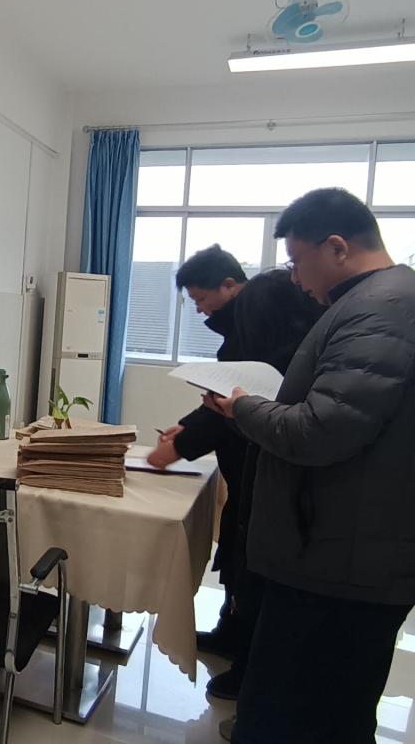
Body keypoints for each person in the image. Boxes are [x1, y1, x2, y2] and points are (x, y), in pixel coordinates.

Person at [206, 188, 415, 744]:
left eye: (298, 261)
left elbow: (319, 431)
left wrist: (243, 407)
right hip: (341, 551)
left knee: (292, 716)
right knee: (327, 713)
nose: (296, 279)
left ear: (338, 247)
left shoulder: (378, 310)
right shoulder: (379, 302)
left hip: (339, 565)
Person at [202, 269, 324, 704]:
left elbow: (291, 432)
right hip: (258, 482)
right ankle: (238, 647)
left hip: (286, 501)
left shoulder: (302, 366)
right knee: (244, 564)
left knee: (263, 581)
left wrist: (238, 413)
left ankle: (251, 675)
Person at [148, 244, 248, 659]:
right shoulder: (241, 328)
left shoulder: (257, 327)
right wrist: (186, 428)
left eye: (202, 299)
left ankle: (242, 654)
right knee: (237, 550)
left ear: (229, 285)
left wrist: (178, 448)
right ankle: (229, 633)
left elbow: (236, 407)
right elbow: (219, 399)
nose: (201, 310)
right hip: (241, 468)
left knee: (248, 559)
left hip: (259, 468)